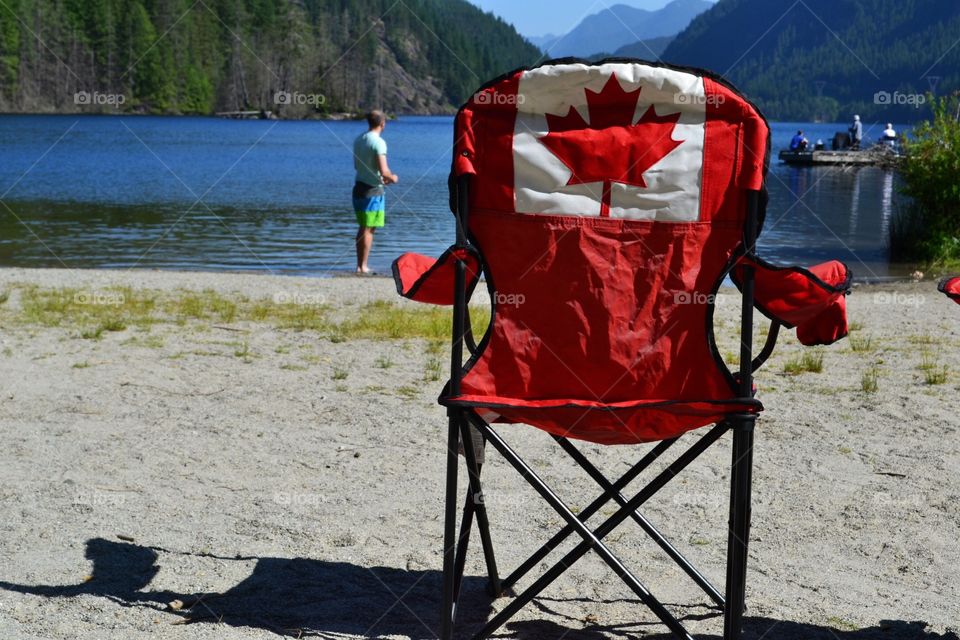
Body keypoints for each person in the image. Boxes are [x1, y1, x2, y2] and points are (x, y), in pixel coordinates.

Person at [352, 110, 399, 274]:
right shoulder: (378, 142)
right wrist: (392, 177)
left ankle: (360, 265)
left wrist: (381, 176)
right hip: (372, 191)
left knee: (364, 227)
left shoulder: (359, 140)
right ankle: (362, 266)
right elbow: (384, 170)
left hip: (358, 187)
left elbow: (357, 167)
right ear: (382, 123)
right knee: (368, 228)